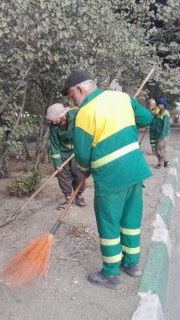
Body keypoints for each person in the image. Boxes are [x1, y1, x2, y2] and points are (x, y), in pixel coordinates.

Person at [62, 69, 154, 289]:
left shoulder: (85, 113)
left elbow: (83, 156)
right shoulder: (122, 98)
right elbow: (146, 118)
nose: (71, 100)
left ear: (81, 89)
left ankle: (111, 273)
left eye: (70, 95)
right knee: (131, 222)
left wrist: (83, 171)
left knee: (109, 225)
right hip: (135, 171)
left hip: (111, 177)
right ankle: (132, 264)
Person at [46, 103, 86, 209]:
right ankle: (68, 197)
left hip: (76, 150)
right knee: (62, 175)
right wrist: (58, 164)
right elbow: (54, 144)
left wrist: (82, 147)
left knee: (79, 174)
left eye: (54, 119)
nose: (52, 122)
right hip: (62, 151)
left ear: (62, 116)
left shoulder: (76, 116)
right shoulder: (53, 126)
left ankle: (79, 195)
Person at [154, 98, 170, 168]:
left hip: (163, 135)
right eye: (158, 104)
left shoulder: (165, 113)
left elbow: (165, 127)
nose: (159, 105)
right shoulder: (159, 112)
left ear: (164, 105)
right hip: (158, 134)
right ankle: (161, 163)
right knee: (161, 149)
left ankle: (165, 161)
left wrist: (162, 136)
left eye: (161, 104)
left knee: (158, 149)